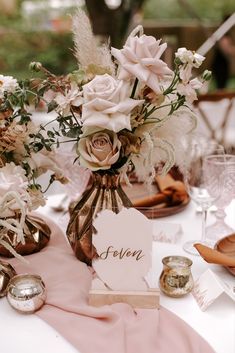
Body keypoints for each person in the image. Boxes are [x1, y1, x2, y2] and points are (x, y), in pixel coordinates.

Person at [212, 15, 235, 89]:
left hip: (223, 64)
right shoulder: (223, 35)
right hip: (220, 65)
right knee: (221, 87)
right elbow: (227, 49)